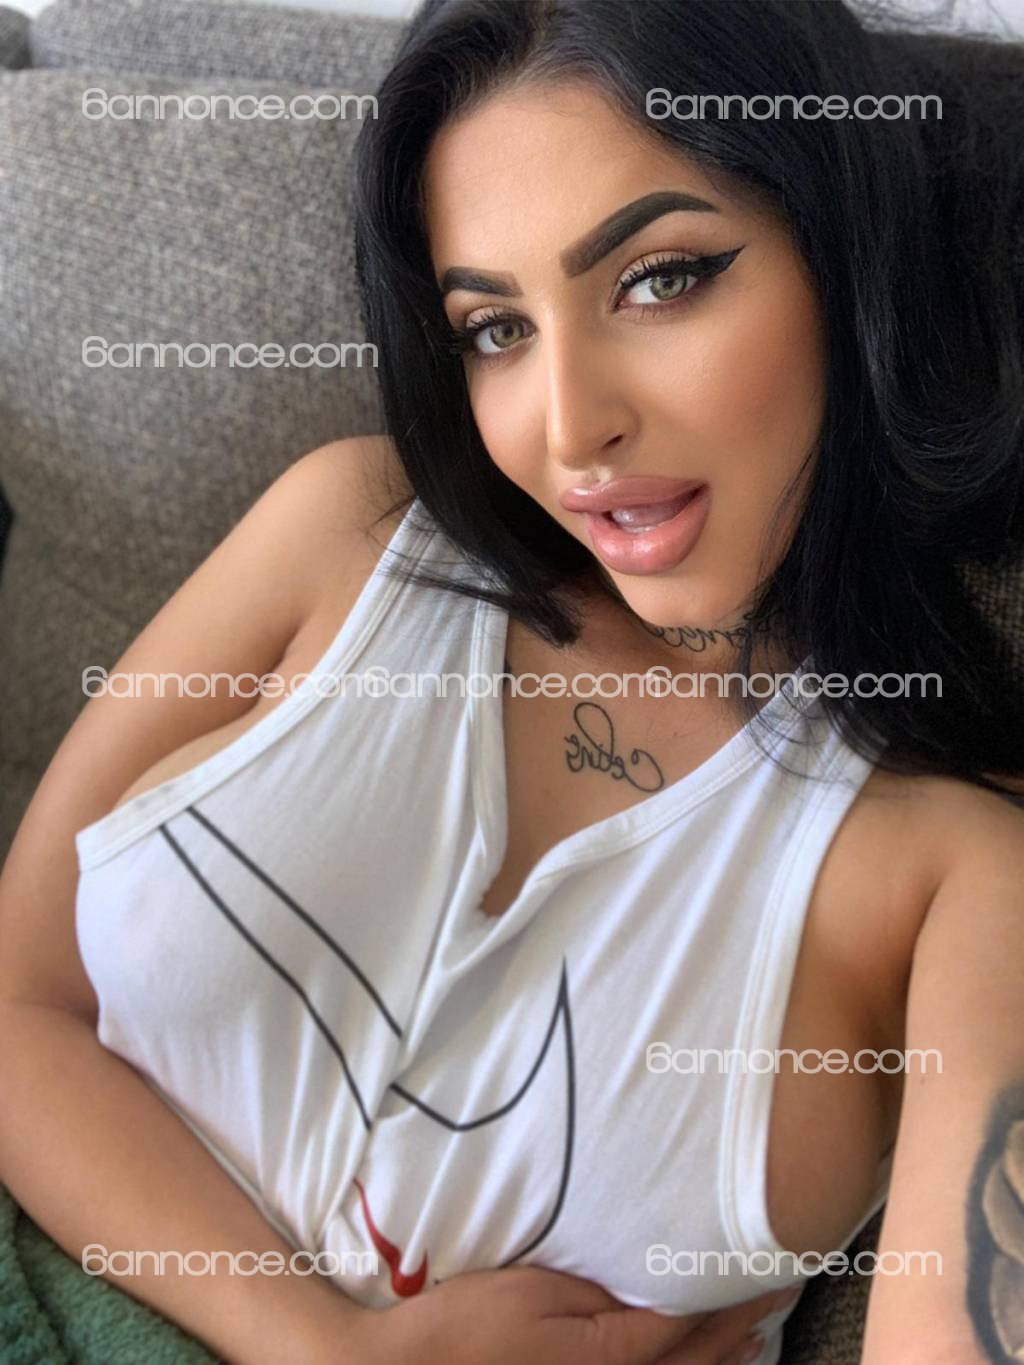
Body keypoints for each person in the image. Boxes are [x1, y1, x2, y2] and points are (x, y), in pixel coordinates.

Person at [2, 2, 1023, 1363]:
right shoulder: (349, 527)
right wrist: (323, 1345)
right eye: (495, 328)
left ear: (846, 257)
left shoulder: (962, 873)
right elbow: (14, 1004)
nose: (569, 426)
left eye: (660, 279)